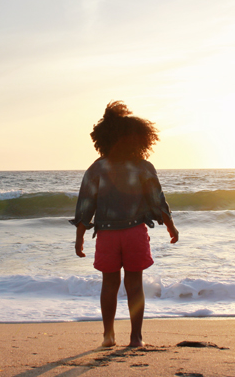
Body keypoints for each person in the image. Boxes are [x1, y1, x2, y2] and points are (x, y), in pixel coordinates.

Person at [70, 101, 179, 348]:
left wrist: (79, 237)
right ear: (139, 138)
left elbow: (85, 206)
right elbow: (158, 201)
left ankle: (108, 336)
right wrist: (171, 227)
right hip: (134, 232)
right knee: (134, 284)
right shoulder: (143, 167)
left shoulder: (96, 168)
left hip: (107, 234)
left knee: (109, 284)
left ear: (104, 139)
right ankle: (136, 337)